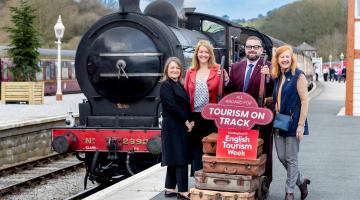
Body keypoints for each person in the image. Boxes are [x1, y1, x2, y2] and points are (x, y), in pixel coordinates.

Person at [224, 35, 274, 184]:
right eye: (249, 47)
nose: (252, 50)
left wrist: (268, 78)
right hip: (240, 118)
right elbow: (232, 91)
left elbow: (274, 90)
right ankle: (242, 180)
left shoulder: (269, 67)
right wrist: (227, 81)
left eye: (255, 47)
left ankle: (263, 181)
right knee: (241, 148)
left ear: (261, 50)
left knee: (262, 149)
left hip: (261, 118)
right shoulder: (236, 67)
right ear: (245, 49)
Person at [271, 45, 310, 200]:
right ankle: (301, 181)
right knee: (281, 157)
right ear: (278, 60)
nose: (285, 59)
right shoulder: (278, 76)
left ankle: (290, 192)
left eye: (288, 56)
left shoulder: (298, 76)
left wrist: (301, 125)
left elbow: (305, 101)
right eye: (282, 57)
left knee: (292, 158)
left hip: (293, 122)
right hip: (279, 121)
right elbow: (279, 96)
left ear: (291, 58)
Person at [184, 40, 220, 176]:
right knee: (196, 148)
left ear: (210, 54)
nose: (203, 54)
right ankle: (198, 177)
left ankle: (211, 176)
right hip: (195, 115)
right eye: (201, 52)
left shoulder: (218, 70)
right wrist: (188, 118)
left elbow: (226, 90)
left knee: (211, 146)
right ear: (197, 54)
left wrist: (226, 79)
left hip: (212, 116)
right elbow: (186, 95)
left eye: (206, 52)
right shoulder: (190, 72)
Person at [160, 57, 193, 199]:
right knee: (180, 157)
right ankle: (183, 190)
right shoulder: (166, 85)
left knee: (175, 155)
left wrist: (191, 120)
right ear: (167, 70)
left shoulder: (178, 84)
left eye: (177, 68)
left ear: (181, 70)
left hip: (178, 124)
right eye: (172, 68)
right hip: (173, 125)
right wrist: (186, 121)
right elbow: (171, 106)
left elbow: (185, 105)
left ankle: (169, 187)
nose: (175, 70)